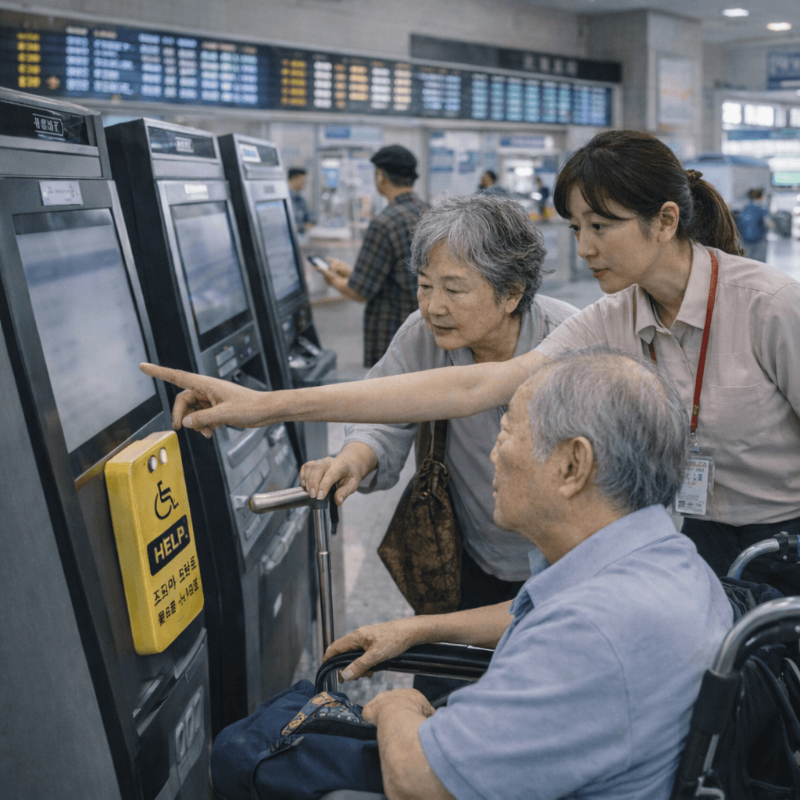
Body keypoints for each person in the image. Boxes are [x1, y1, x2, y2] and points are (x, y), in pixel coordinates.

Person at [141, 129, 800, 595]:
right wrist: (264, 407)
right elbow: (474, 384)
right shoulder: (615, 316)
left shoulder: (768, 305)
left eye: (602, 225)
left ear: (663, 221)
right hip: (701, 539)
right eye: (575, 228)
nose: (587, 247)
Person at [320, 350, 732, 800]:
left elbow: (417, 782)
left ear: (573, 465)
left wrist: (398, 706)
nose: (493, 455)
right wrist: (416, 630)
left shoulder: (591, 633)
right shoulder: (670, 561)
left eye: (507, 431)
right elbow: (530, 617)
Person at [301, 194, 576, 617]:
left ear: (511, 293)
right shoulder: (421, 336)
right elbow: (386, 414)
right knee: (442, 672)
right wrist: (351, 461)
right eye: (425, 286)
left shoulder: (570, 344)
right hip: (465, 555)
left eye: (453, 288)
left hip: (567, 565)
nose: (433, 307)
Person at [317, 144, 429, 367]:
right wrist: (351, 271)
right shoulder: (430, 212)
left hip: (392, 332)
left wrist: (331, 278)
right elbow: (399, 273)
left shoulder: (384, 223)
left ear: (381, 176)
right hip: (425, 328)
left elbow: (360, 291)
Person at [737, 188, 771, 263]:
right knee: (760, 261)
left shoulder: (745, 208)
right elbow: (768, 224)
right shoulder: (762, 209)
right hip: (759, 239)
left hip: (746, 239)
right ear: (761, 196)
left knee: (748, 260)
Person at [287, 167, 313, 234]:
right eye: (302, 181)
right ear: (293, 179)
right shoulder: (287, 199)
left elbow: (310, 217)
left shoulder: (301, 198)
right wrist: (303, 227)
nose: (304, 183)